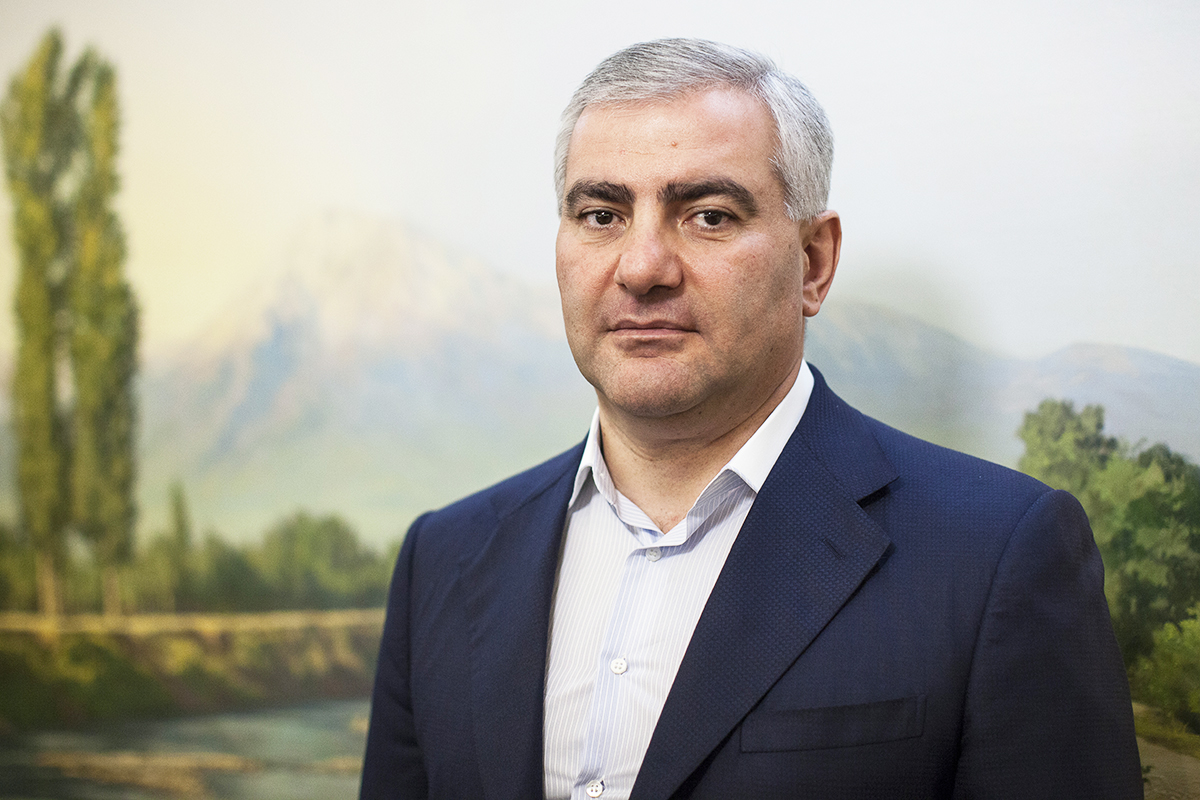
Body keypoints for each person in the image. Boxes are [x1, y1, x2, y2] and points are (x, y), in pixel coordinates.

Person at [360, 38, 1143, 800]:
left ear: (814, 262)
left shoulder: (998, 555)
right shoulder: (444, 558)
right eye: (601, 214)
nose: (642, 267)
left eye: (708, 216)